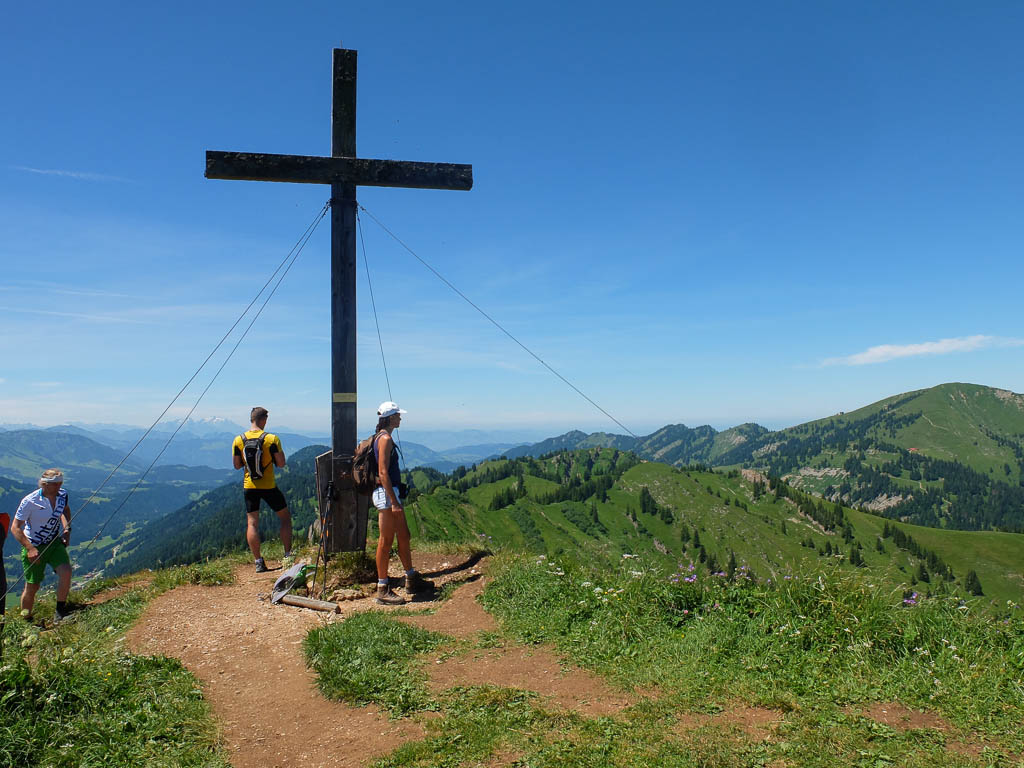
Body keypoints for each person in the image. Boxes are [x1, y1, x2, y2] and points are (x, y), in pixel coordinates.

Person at [372, 401, 432, 605]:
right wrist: (394, 502)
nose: (400, 418)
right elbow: (383, 472)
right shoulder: (385, 439)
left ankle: (411, 578)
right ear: (390, 418)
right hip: (387, 494)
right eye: (398, 415)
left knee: (404, 535)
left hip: (389, 493)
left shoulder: (381, 436)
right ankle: (382, 588)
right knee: (386, 540)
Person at [232, 407, 293, 572]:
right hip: (268, 486)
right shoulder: (271, 439)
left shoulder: (238, 440)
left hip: (249, 486)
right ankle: (288, 556)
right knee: (285, 518)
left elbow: (237, 465)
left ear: (251, 419)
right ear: (264, 419)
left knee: (252, 523)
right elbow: (281, 463)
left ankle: (258, 562)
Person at [11, 469, 73, 622]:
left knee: (66, 572)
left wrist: (66, 530)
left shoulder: (62, 495)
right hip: (34, 545)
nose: (59, 487)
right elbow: (15, 527)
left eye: (60, 483)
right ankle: (26, 620)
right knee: (32, 586)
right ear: (44, 484)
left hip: (54, 542)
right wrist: (30, 548)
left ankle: (60, 612)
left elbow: (64, 511)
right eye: (55, 484)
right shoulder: (30, 501)